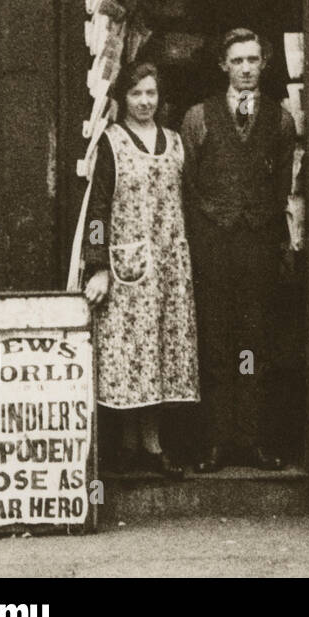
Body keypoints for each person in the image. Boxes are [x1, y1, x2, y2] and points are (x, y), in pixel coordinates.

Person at [181, 29, 296, 472]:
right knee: (216, 341)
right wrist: (205, 230)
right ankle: (216, 441)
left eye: (253, 59)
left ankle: (252, 439)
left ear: (264, 64)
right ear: (223, 66)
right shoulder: (199, 117)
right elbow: (187, 183)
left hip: (257, 245)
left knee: (254, 343)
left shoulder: (280, 119)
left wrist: (271, 230)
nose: (246, 68)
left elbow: (284, 183)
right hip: (213, 245)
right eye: (237, 61)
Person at [83, 62, 198, 479]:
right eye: (137, 94)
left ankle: (153, 446)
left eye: (151, 93)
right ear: (122, 99)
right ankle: (130, 446)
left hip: (169, 269)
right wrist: (97, 267)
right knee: (131, 357)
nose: (145, 101)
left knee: (160, 356)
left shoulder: (176, 142)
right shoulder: (111, 143)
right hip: (126, 269)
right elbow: (97, 210)